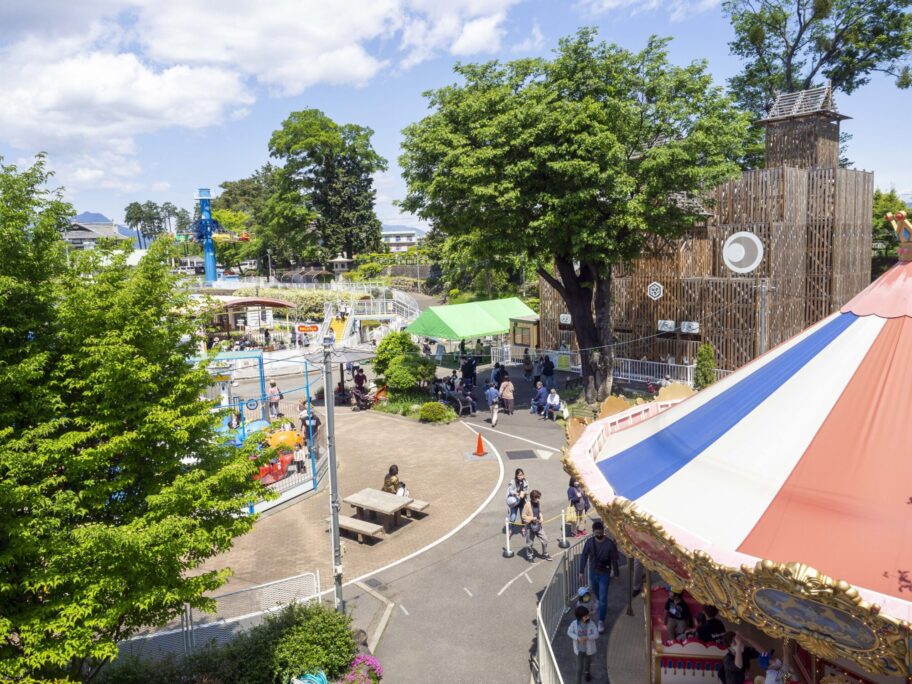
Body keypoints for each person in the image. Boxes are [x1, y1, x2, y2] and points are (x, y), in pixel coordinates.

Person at [578, 520, 619, 633]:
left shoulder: (610, 544)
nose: (599, 535)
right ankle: (601, 605)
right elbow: (584, 556)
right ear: (593, 532)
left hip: (605, 574)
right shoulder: (589, 542)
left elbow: (614, 559)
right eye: (597, 533)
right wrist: (581, 571)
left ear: (603, 531)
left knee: (603, 598)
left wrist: (616, 573)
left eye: (601, 532)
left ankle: (601, 621)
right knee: (597, 593)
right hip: (593, 572)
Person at [567, 605, 598, 684]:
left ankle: (587, 672)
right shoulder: (574, 624)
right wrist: (577, 638)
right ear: (579, 617)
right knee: (579, 668)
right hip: (579, 651)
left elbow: (596, 634)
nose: (587, 617)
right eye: (585, 616)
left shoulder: (591, 624)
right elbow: (569, 632)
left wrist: (587, 637)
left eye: (588, 615)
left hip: (588, 649)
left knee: (588, 662)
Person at [521, 489, 552, 561]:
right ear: (533, 498)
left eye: (539, 498)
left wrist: (541, 517)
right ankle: (529, 555)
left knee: (545, 539)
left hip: (538, 525)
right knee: (529, 543)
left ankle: (545, 553)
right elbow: (523, 516)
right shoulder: (527, 505)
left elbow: (540, 511)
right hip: (529, 526)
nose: (538, 499)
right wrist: (532, 518)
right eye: (537, 498)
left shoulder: (538, 502)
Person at [506, 468, 529, 535]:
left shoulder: (526, 482)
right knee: (513, 517)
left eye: (522, 475)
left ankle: (523, 528)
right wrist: (518, 493)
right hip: (515, 501)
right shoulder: (513, 481)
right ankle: (510, 529)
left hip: (522, 501)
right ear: (516, 475)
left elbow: (528, 491)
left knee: (523, 517)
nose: (520, 476)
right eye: (519, 475)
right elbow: (510, 490)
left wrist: (525, 493)